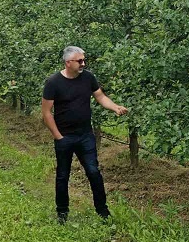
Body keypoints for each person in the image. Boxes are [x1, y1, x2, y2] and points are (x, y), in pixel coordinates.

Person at [41, 46, 128, 224]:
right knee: (63, 175)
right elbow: (47, 112)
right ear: (68, 62)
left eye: (83, 60)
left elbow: (100, 96)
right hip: (64, 137)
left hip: (85, 135)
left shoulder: (88, 78)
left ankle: (103, 211)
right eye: (79, 61)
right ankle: (62, 213)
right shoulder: (53, 82)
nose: (83, 63)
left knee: (94, 172)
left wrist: (115, 107)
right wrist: (58, 136)